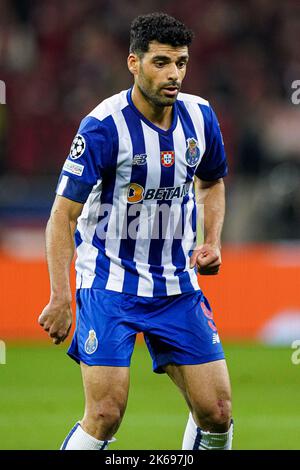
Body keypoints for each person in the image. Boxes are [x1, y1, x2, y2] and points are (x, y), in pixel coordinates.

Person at [38, 12, 233, 450]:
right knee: (105, 414)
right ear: (134, 63)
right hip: (109, 281)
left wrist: (212, 240)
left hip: (177, 284)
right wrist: (60, 296)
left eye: (181, 63)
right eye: (161, 62)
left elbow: (212, 181)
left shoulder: (200, 117)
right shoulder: (103, 127)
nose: (174, 74)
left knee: (217, 412)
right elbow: (61, 217)